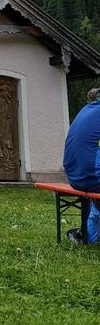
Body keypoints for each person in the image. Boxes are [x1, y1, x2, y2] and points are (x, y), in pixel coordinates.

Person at [63, 87, 100, 244]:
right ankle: (85, 234)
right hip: (91, 177)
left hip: (74, 176)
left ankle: (86, 235)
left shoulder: (86, 110)